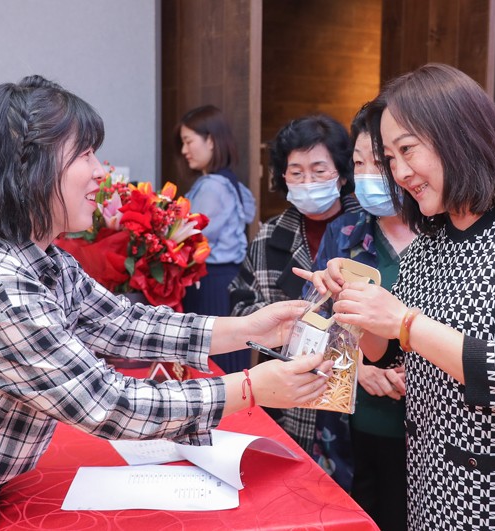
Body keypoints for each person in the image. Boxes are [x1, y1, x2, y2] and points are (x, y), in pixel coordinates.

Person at [0, 75, 332, 530]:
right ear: (27, 165)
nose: (101, 172)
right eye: (85, 154)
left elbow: (122, 323)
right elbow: (108, 404)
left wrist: (249, 328)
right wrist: (251, 387)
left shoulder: (41, 258)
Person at [299, 63, 495, 529]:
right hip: (435, 493)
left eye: (407, 151)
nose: (399, 172)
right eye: (389, 158)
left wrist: (405, 321)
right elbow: (389, 354)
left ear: (458, 135)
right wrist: (356, 304)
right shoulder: (432, 242)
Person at [305, 100, 413, 530]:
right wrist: (361, 368)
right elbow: (314, 323)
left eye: (379, 162)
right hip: (351, 424)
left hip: (428, 432)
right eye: (358, 162)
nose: (368, 174)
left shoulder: (443, 236)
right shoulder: (344, 233)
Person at [229, 114, 361, 459]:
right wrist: (288, 325)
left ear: (342, 174)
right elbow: (240, 303)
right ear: (283, 176)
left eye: (319, 171)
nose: (307, 182)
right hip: (287, 390)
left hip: (360, 394)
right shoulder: (270, 236)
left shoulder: (369, 232)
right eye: (296, 172)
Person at [175, 105, 256, 374]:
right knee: (230, 362)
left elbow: (190, 236)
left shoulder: (212, 186)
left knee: (213, 365)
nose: (184, 150)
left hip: (211, 283)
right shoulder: (231, 183)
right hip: (228, 280)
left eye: (189, 141)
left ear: (210, 140)